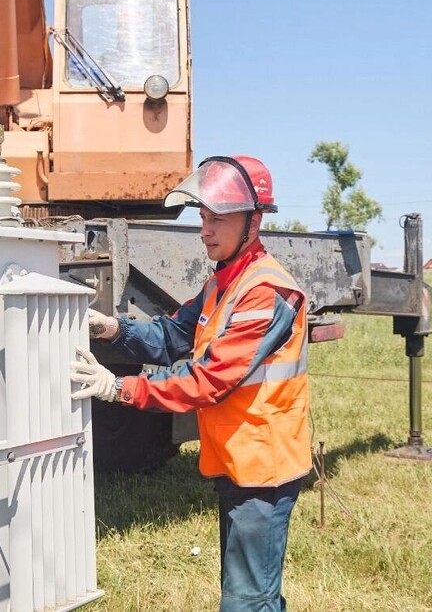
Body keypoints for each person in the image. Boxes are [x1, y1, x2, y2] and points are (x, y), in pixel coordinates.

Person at [70, 155, 311, 611]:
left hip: (264, 467)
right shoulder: (223, 282)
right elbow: (172, 334)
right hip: (238, 459)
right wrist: (113, 329)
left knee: (246, 601)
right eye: (203, 217)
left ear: (253, 223)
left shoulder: (265, 292)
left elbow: (208, 381)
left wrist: (120, 388)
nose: (205, 230)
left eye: (218, 219)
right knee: (253, 591)